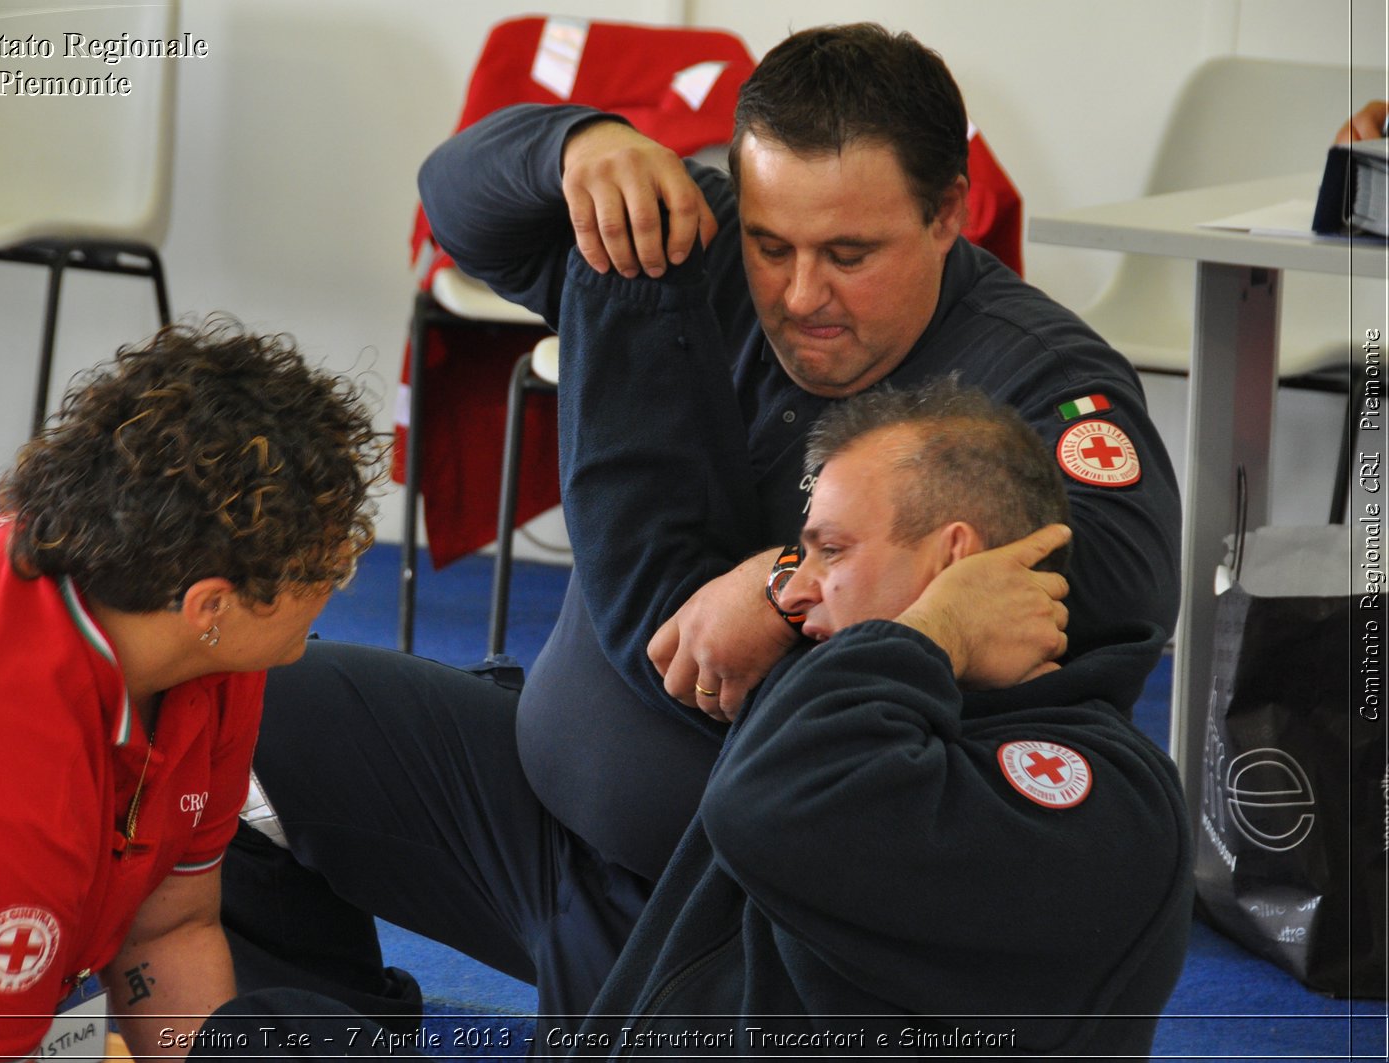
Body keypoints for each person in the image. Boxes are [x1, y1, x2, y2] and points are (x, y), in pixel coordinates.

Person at [225, 21, 1181, 1026]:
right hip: (538, 804)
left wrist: (803, 587)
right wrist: (577, 148)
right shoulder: (691, 241)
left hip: (742, 923)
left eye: (850, 253)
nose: (802, 294)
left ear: (950, 212)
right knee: (226, 716)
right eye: (774, 245)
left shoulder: (1042, 379)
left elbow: (1101, 589)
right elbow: (456, 203)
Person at [0, 320, 384, 1059]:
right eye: (328, 572)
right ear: (212, 605)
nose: (333, 589)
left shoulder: (193, 640)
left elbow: (169, 927)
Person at [564, 374, 1193, 1060]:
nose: (796, 592)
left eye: (830, 550)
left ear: (956, 561)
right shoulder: (853, 695)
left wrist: (935, 626)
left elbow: (767, 806)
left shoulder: (1115, 802)